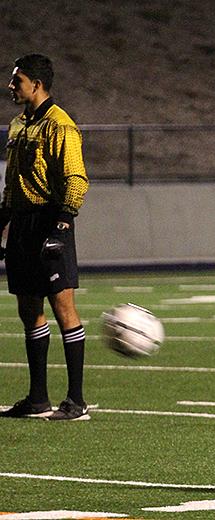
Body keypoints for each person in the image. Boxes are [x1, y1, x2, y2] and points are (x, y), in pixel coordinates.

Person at [0, 54, 90, 421]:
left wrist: (62, 224)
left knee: (62, 308)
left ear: (36, 84)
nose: (10, 86)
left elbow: (76, 179)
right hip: (22, 223)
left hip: (50, 221)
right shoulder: (18, 125)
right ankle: (38, 399)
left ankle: (76, 400)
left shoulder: (60, 125)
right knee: (28, 310)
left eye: (16, 80)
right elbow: (12, 184)